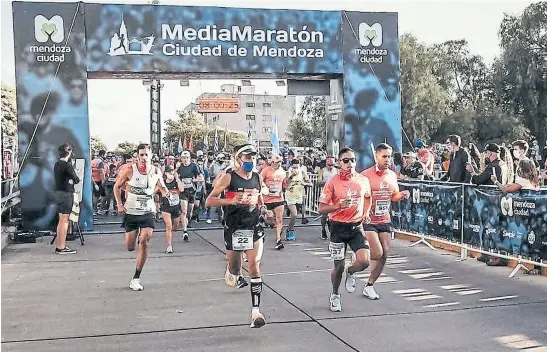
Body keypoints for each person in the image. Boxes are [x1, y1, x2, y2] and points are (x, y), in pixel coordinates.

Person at [205, 144, 274, 328]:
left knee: (254, 266)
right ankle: (231, 271)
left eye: (253, 158)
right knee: (236, 268)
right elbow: (209, 200)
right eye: (247, 158)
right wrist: (230, 200)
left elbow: (259, 197)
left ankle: (255, 312)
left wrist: (264, 209)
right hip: (234, 228)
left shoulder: (258, 177)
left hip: (254, 226)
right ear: (238, 159)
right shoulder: (229, 177)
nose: (250, 161)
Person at [318, 147, 372, 312]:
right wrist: (337, 206)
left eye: (353, 160)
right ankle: (335, 295)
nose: (350, 163)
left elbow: (368, 197)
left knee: (364, 261)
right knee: (338, 267)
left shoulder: (362, 180)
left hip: (356, 226)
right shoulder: (332, 182)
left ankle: (352, 271)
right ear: (339, 163)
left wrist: (366, 213)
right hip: (337, 227)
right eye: (346, 160)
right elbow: (321, 209)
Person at [114, 143, 169, 291]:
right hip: (131, 212)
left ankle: (136, 278)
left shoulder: (156, 171)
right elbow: (116, 186)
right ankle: (135, 237)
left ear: (151, 156)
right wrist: (119, 204)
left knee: (144, 241)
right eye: (141, 155)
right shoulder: (130, 170)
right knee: (130, 247)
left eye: (146, 155)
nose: (144, 158)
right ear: (137, 157)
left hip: (148, 212)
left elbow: (162, 188)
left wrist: (166, 193)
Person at [361, 143, 410, 300]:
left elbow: (393, 196)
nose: (387, 159)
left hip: (384, 219)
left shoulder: (392, 175)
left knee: (385, 254)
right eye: (384, 156)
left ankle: (369, 285)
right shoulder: (365, 175)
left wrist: (401, 195)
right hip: (369, 219)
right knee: (377, 252)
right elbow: (359, 196)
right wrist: (363, 212)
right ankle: (358, 261)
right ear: (376, 156)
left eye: (389, 156)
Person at [53, 143, 79, 254]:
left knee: (61, 221)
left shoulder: (57, 164)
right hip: (66, 194)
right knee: (64, 221)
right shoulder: (67, 165)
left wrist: (70, 180)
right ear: (69, 152)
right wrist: (72, 180)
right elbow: (76, 179)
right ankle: (61, 247)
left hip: (58, 193)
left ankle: (60, 245)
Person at [260, 154, 287, 250]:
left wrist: (288, 185)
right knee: (269, 219)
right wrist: (265, 187)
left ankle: (278, 240)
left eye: (280, 162)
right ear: (272, 163)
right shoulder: (265, 170)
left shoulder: (283, 172)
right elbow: (260, 181)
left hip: (278, 199)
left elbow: (284, 185)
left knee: (279, 219)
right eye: (276, 163)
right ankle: (264, 223)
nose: (278, 164)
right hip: (267, 199)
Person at [177, 150, 204, 240]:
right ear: (181, 159)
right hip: (183, 191)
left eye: (187, 158)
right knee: (183, 211)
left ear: (189, 158)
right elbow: (175, 176)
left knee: (189, 212)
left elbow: (201, 178)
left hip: (192, 191)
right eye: (183, 158)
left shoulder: (194, 166)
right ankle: (185, 232)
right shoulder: (180, 167)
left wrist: (193, 180)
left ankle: (188, 220)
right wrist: (179, 180)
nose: (185, 160)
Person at [285, 159, 312, 241]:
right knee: (294, 214)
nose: (295, 169)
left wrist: (305, 184)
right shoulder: (287, 173)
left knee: (295, 214)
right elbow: (285, 182)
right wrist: (291, 175)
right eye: (293, 167)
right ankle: (290, 230)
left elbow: (311, 183)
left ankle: (290, 227)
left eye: (297, 167)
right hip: (289, 195)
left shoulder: (303, 173)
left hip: (298, 196)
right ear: (291, 166)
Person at [160, 165, 184, 253]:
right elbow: (158, 191)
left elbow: (181, 189)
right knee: (168, 226)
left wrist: (177, 178)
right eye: (169, 172)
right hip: (166, 207)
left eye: (172, 171)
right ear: (165, 173)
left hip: (176, 206)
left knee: (175, 226)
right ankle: (169, 246)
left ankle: (170, 236)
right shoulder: (163, 182)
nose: (171, 173)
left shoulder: (176, 181)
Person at [318, 156, 337, 240]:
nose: (331, 166)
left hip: (335, 195)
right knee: (324, 214)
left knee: (334, 213)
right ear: (326, 163)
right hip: (325, 195)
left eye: (332, 164)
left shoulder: (337, 171)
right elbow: (318, 182)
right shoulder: (322, 171)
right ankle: (323, 229)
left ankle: (332, 227)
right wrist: (329, 183)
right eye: (329, 165)